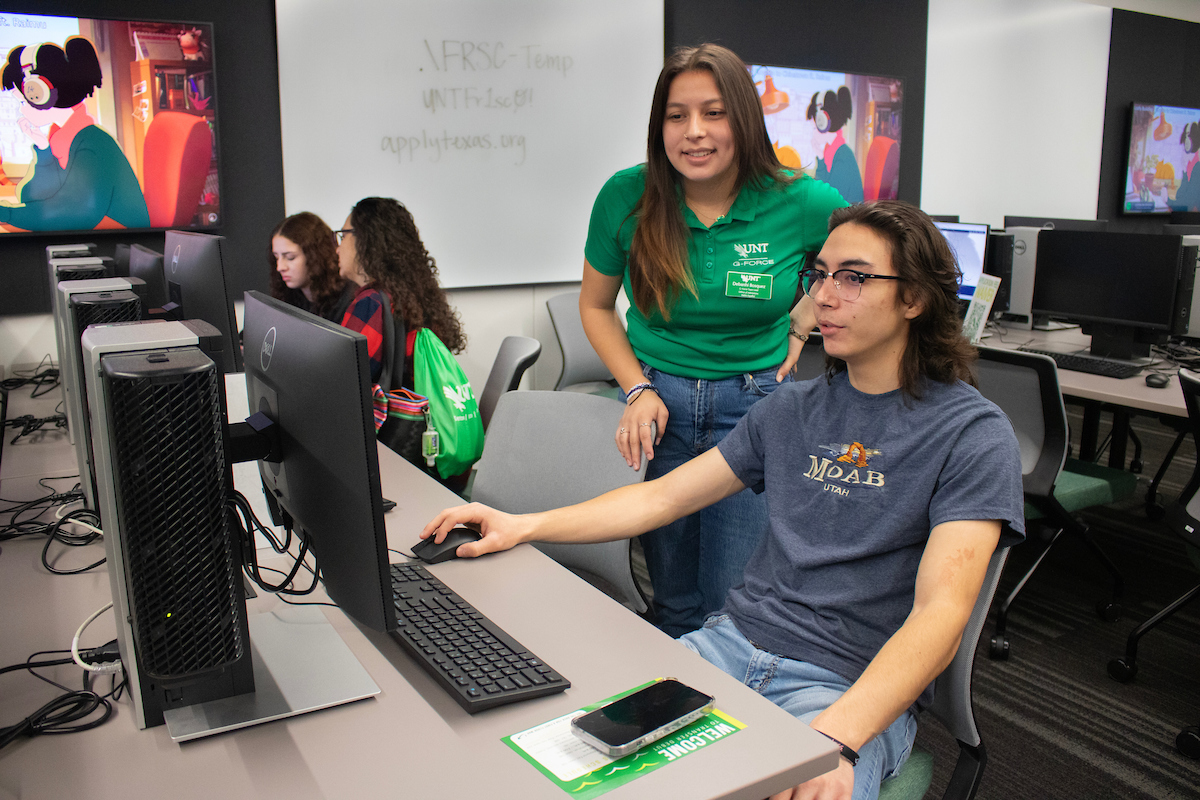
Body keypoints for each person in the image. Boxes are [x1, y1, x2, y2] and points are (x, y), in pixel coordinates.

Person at [423, 201, 1026, 800]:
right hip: (726, 649)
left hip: (843, 687)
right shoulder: (790, 408)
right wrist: (522, 524)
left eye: (854, 277)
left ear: (915, 298)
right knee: (563, 762)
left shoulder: (971, 433)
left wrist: (838, 740)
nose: (824, 295)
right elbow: (661, 499)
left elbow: (941, 617)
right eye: (818, 275)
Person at [581, 43, 848, 637]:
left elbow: (867, 265)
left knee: (734, 596)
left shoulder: (802, 201)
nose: (694, 133)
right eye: (677, 116)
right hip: (656, 405)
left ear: (744, 121)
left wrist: (804, 321)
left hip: (755, 407)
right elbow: (596, 307)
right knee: (669, 592)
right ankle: (677, 710)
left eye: (714, 112)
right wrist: (635, 389)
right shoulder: (627, 197)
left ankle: (730, 720)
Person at [0, 38, 150, 231]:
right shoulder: (61, 136)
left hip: (122, 241)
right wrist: (44, 152)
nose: (22, 111)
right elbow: (32, 196)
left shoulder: (94, 143)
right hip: (93, 229)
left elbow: (75, 211)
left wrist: (6, 213)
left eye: (24, 101)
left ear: (44, 94)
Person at [336, 196, 466, 385]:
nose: (338, 248)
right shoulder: (413, 295)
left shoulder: (372, 303)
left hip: (389, 414)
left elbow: (343, 379)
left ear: (365, 239)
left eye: (343, 235)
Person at [268, 211, 355, 323]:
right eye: (276, 258)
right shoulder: (289, 297)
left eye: (290, 257)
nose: (280, 267)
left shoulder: (348, 300)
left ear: (315, 256)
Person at [807, 86, 865, 205]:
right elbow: (824, 187)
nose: (813, 132)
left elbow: (830, 200)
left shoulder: (843, 155)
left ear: (825, 124)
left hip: (848, 220)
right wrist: (820, 157)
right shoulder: (831, 150)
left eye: (815, 127)